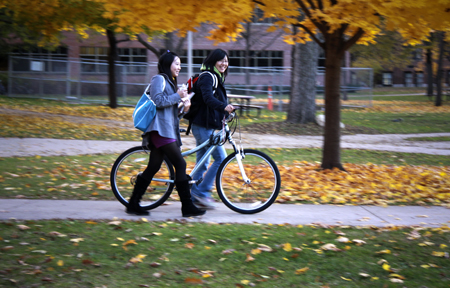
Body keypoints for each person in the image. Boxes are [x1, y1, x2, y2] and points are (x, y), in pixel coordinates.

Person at [126, 51, 206, 218]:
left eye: (180, 64)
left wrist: (184, 107)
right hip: (160, 131)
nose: (179, 67)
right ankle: (187, 206)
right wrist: (178, 95)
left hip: (166, 130)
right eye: (176, 63)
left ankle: (133, 203)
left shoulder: (170, 83)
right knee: (181, 164)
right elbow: (158, 101)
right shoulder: (159, 79)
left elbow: (170, 112)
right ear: (167, 64)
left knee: (154, 166)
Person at [189, 49, 235, 209]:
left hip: (205, 125)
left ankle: (193, 193)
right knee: (221, 159)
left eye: (226, 61)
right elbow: (208, 99)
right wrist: (224, 107)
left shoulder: (217, 77)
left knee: (203, 162)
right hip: (202, 126)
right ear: (213, 61)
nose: (224, 63)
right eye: (221, 60)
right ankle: (201, 193)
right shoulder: (208, 76)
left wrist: (225, 113)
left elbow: (212, 101)